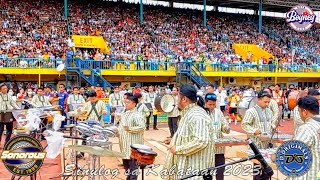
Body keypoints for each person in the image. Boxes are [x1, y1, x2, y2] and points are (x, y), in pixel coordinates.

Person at [163, 84, 215, 180]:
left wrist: (178, 148)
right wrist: (175, 139)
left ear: (184, 99)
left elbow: (201, 141)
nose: (177, 100)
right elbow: (189, 135)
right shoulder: (188, 113)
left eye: (178, 97)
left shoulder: (196, 115)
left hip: (195, 173)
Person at [241, 90, 276, 180]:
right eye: (265, 102)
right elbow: (244, 124)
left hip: (267, 145)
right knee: (257, 170)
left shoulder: (269, 111)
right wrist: (254, 131)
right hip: (256, 145)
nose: (267, 104)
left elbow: (271, 122)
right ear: (258, 100)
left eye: (268, 102)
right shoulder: (251, 111)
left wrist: (273, 126)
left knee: (267, 169)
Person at [118, 94, 145, 180]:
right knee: (127, 168)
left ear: (134, 104)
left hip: (133, 147)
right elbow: (121, 127)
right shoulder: (124, 113)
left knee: (133, 168)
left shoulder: (137, 115)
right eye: (125, 102)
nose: (126, 104)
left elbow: (142, 127)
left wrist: (130, 129)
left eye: (128, 103)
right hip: (124, 146)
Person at [205, 93, 230, 180]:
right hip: (207, 149)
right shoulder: (202, 113)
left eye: (213, 104)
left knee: (220, 171)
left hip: (219, 148)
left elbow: (224, 125)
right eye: (210, 104)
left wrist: (226, 128)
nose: (212, 106)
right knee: (208, 172)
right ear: (205, 103)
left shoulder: (218, 112)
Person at [294, 96, 320, 180]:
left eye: (299, 112)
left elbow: (294, 151)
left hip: (310, 174)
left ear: (304, 112)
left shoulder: (306, 128)